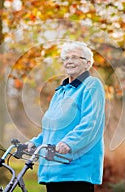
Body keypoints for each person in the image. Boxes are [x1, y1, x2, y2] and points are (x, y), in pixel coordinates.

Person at [26, 41, 105, 192]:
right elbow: (51, 130)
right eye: (66, 58)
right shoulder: (60, 92)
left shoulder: (91, 86)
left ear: (87, 63)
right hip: (53, 170)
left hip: (76, 169)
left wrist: (69, 143)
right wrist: (34, 143)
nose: (69, 61)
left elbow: (91, 123)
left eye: (74, 57)